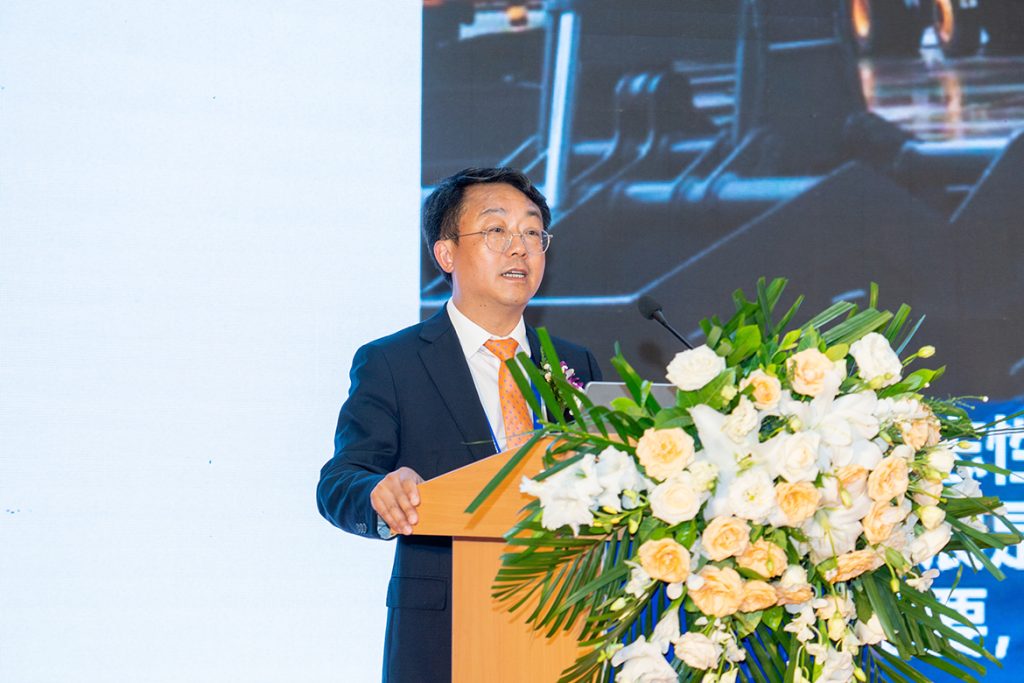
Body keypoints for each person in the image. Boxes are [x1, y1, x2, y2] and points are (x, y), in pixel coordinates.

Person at [316, 167, 602, 682]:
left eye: (532, 232)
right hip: (443, 634)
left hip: (567, 625)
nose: (519, 247)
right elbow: (339, 480)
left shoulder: (575, 363)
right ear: (446, 253)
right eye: (496, 230)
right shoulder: (394, 362)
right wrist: (380, 491)